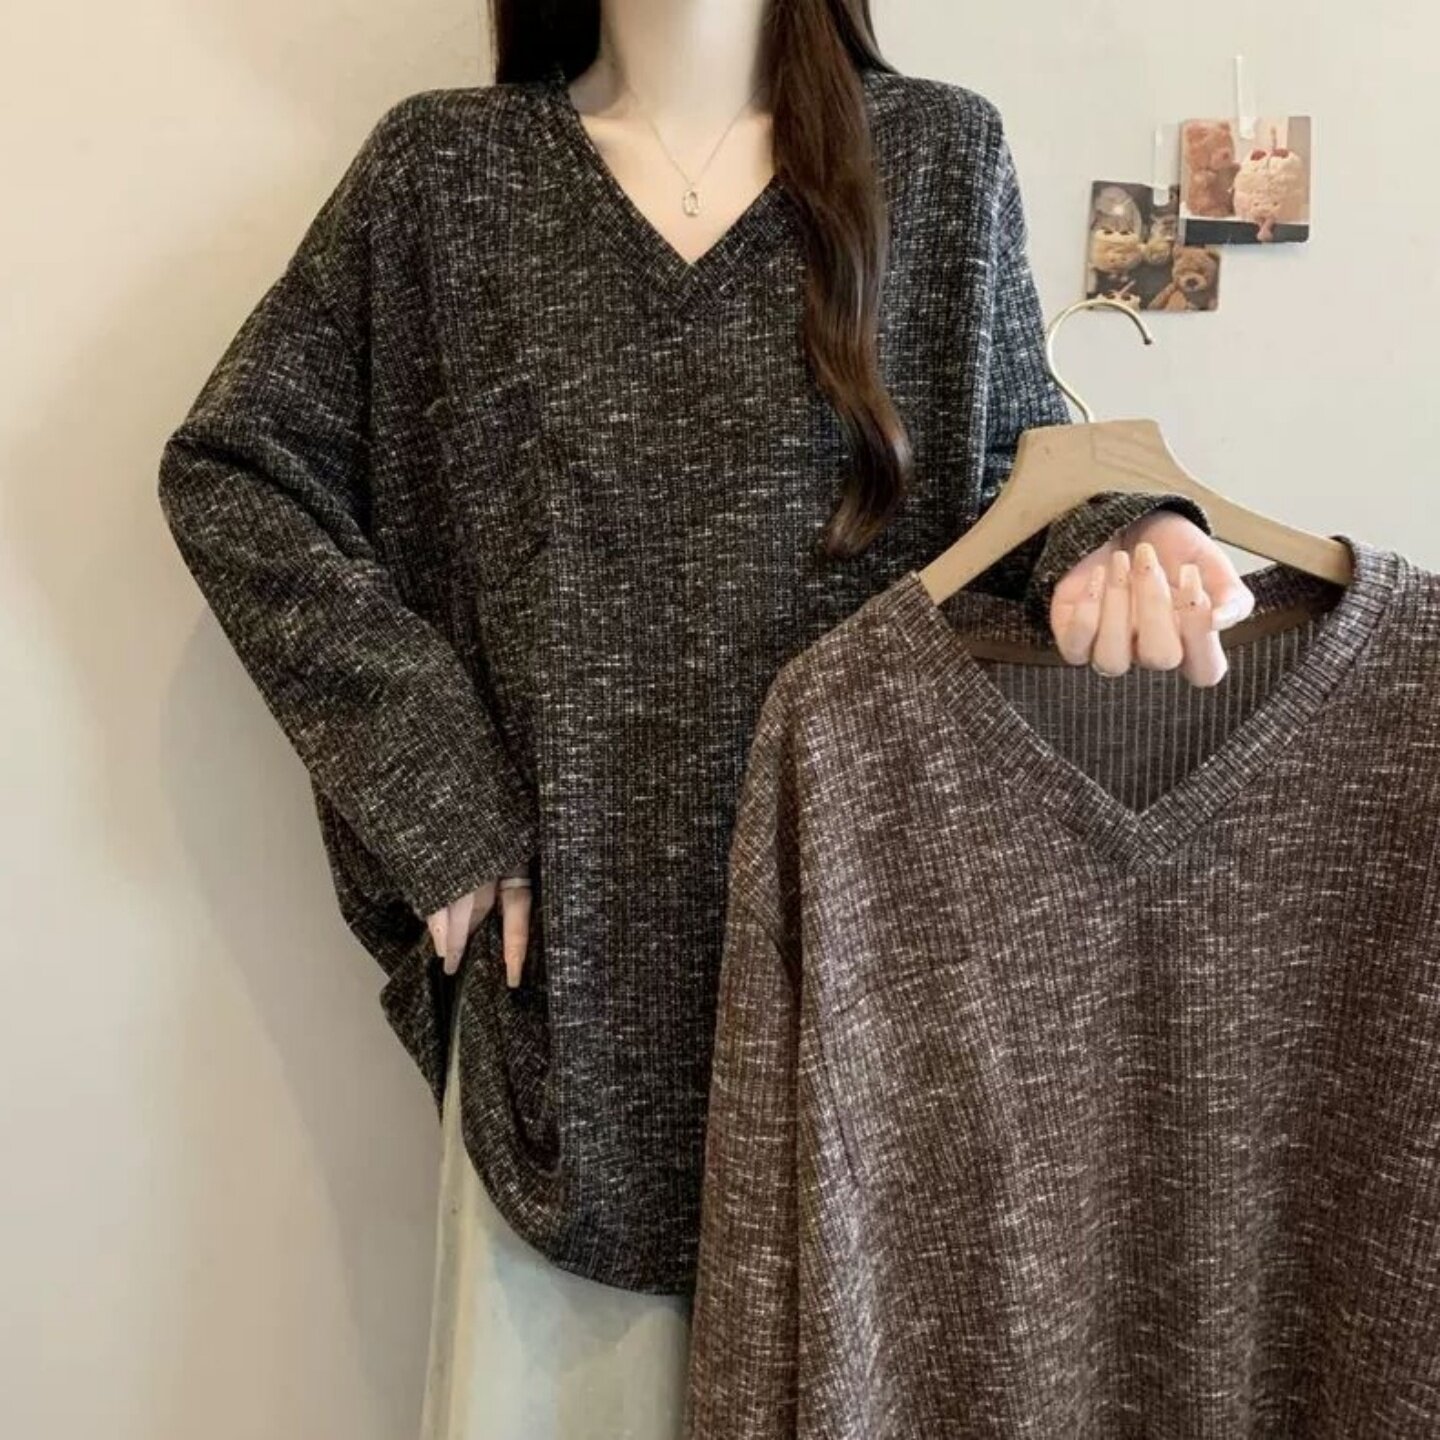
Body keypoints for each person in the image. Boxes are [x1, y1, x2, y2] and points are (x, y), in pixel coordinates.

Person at [155, 2, 1255, 1435]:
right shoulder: (444, 178)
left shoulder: (936, 157)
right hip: (572, 1022)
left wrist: (1121, 533)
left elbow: (1013, 480)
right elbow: (240, 470)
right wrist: (434, 788)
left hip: (870, 1009)